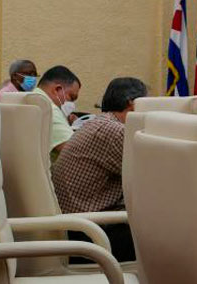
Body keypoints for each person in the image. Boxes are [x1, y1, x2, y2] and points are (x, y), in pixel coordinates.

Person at [52, 77, 148, 262]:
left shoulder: (101, 123)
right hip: (91, 235)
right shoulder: (114, 131)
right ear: (132, 103)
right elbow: (150, 177)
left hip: (79, 227)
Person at [35, 65, 81, 158]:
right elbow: (75, 151)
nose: (71, 104)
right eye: (71, 97)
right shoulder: (49, 109)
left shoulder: (30, 97)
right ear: (57, 89)